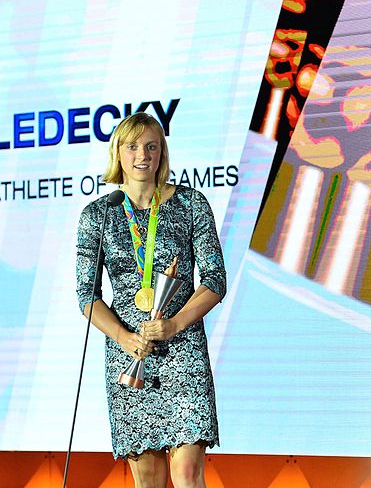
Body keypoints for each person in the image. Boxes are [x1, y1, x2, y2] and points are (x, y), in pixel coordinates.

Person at [76, 112, 226, 488]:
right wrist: (124, 338)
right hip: (130, 355)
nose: (142, 154)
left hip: (183, 352)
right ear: (119, 153)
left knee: (188, 473)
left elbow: (214, 279)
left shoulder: (191, 204)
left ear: (162, 152)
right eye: (132, 146)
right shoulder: (99, 214)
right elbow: (86, 295)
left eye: (151, 146)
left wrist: (174, 324)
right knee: (148, 479)